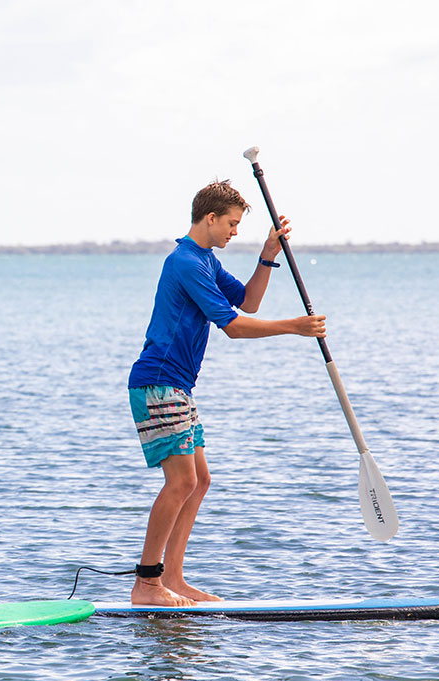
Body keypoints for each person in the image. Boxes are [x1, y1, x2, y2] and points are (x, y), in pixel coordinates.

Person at [127, 181, 326, 606]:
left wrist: (268, 256)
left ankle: (173, 580)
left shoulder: (205, 261)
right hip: (158, 382)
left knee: (199, 482)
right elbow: (233, 327)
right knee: (181, 481)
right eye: (232, 224)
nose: (235, 232)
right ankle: (147, 584)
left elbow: (249, 303)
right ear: (210, 217)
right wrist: (294, 326)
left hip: (177, 385)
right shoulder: (185, 263)